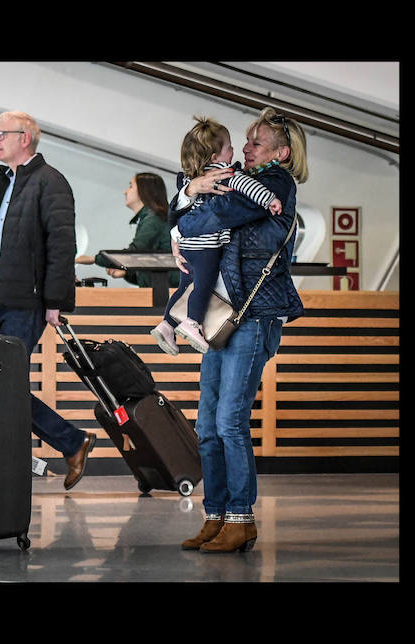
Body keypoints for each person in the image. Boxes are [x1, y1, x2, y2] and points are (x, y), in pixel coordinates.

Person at [173, 107, 308, 553]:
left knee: (230, 420)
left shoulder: (275, 184)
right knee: (208, 423)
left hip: (255, 315)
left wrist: (191, 209)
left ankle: (240, 519)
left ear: (281, 153)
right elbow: (194, 221)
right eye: (246, 140)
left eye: (256, 142)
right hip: (226, 316)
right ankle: (216, 515)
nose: (245, 148)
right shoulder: (237, 181)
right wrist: (192, 199)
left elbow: (198, 221)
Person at [0, 110, 96, 491]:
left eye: (1, 134)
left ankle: (67, 442)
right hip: (1, 301)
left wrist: (55, 300)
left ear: (24, 138)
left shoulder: (50, 182)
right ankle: (70, 441)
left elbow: (62, 245)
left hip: (26, 303)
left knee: (2, 385)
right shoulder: (4, 182)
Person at [151, 116, 283, 356]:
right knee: (204, 283)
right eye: (230, 147)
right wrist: (270, 200)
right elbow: (248, 187)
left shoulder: (191, 176)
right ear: (215, 157)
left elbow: (178, 211)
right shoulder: (225, 172)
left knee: (185, 286)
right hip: (206, 246)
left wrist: (177, 235)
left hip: (188, 246)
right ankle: (192, 324)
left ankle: (167, 324)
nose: (237, 150)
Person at [76, 172, 180, 289]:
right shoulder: (155, 217)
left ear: (143, 190)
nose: (125, 192)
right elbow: (151, 265)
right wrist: (127, 273)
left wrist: (93, 259)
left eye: (131, 186)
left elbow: (133, 255)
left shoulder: (154, 219)